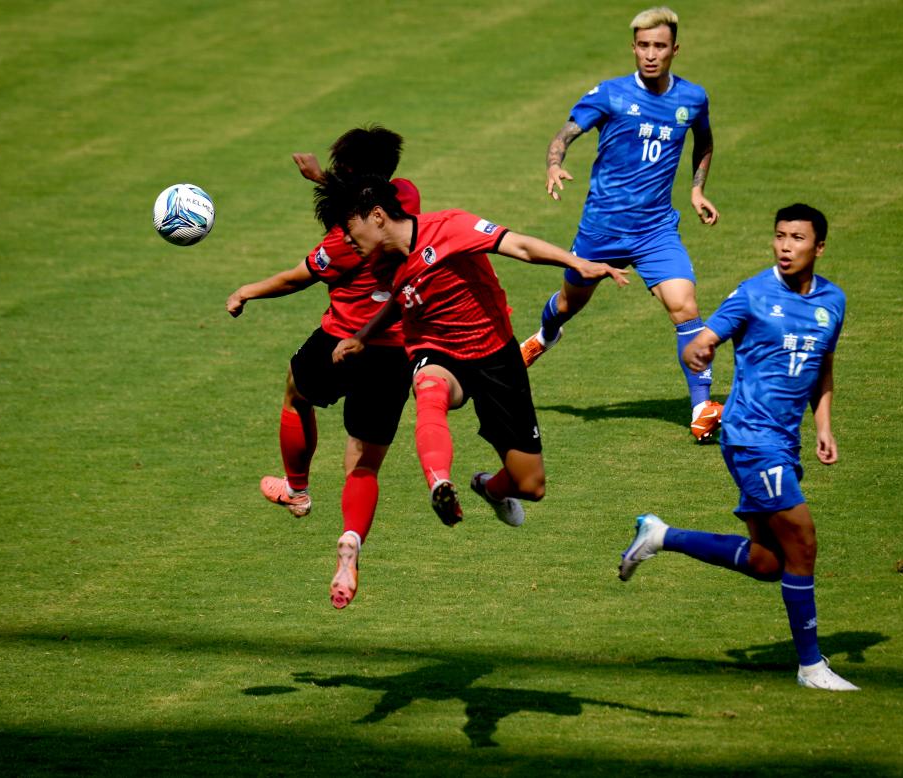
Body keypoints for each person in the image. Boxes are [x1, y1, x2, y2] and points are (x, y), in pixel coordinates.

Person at [618, 204, 858, 691]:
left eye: (797, 238)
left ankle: (661, 535)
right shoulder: (753, 293)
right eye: (780, 236)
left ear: (819, 247)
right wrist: (699, 349)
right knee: (804, 543)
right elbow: (702, 339)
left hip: (784, 442)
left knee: (768, 562)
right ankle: (811, 667)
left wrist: (824, 426)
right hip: (750, 437)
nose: (785, 246)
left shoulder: (832, 301)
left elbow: (822, 368)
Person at [318, 174, 630, 527]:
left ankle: (490, 488)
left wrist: (576, 263)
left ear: (377, 216)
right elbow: (403, 295)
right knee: (429, 389)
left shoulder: (450, 227)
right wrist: (364, 335)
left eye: (349, 229)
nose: (346, 239)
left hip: (495, 355)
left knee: (531, 485)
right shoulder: (379, 259)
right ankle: (440, 483)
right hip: (435, 349)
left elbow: (520, 246)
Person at [226, 126, 419, 609]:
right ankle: (351, 543)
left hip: (340, 340)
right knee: (363, 464)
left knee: (297, 391)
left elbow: (296, 278)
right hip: (395, 351)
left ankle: (297, 490)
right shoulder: (407, 198)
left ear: (347, 172)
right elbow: (367, 192)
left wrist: (246, 291)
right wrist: (324, 179)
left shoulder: (342, 243)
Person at [520, 6, 723, 442]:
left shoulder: (692, 98)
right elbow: (564, 135)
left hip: (655, 231)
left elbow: (704, 140)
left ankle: (701, 408)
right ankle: (545, 336)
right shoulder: (610, 94)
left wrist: (696, 190)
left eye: (659, 46)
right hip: (602, 229)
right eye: (643, 46)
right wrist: (554, 164)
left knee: (685, 306)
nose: (650, 54)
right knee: (568, 304)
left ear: (674, 49)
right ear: (633, 47)